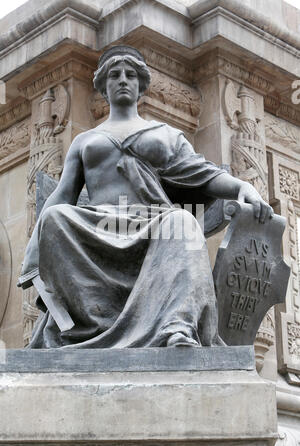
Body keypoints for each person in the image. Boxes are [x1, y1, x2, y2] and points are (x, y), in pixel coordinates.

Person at [18, 46, 273, 349]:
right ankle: (91, 324)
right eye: (115, 75)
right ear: (104, 86)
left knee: (182, 221)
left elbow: (203, 173)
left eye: (130, 75)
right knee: (54, 217)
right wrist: (34, 251)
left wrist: (241, 187)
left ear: (140, 85)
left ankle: (177, 327)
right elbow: (63, 194)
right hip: (100, 225)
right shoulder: (85, 140)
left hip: (151, 221)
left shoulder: (164, 134)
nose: (123, 80)